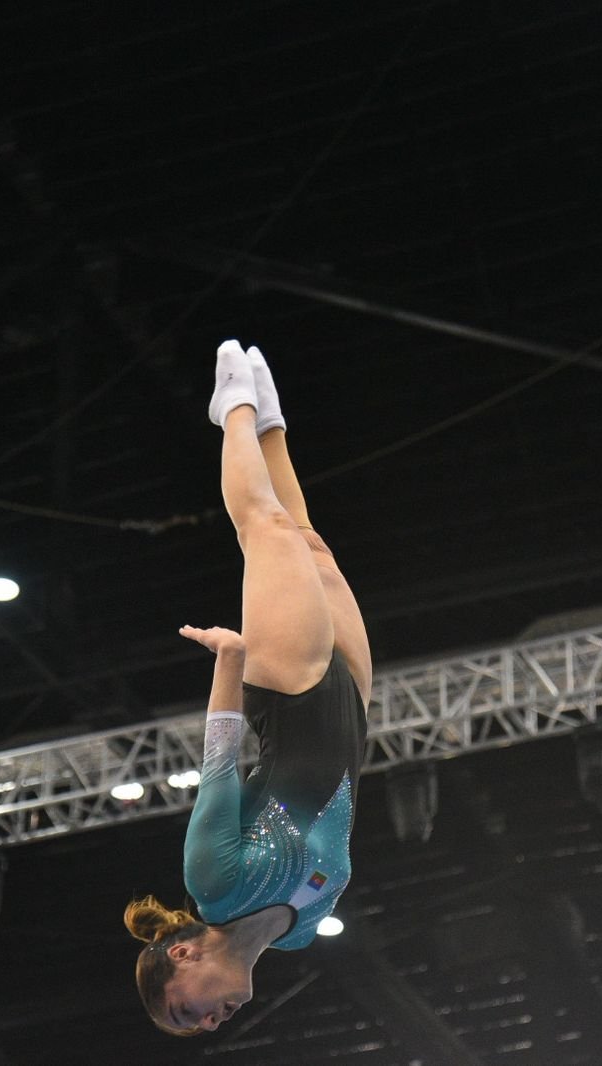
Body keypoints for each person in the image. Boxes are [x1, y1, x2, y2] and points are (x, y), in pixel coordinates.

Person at [123, 339, 373, 1035]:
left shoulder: (215, 884)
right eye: (200, 1026)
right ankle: (270, 425)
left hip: (288, 692)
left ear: (180, 954)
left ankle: (230, 405)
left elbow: (219, 767)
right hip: (352, 706)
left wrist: (228, 662)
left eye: (185, 1011)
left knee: (263, 527)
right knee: (311, 543)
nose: (209, 1023)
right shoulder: (302, 931)